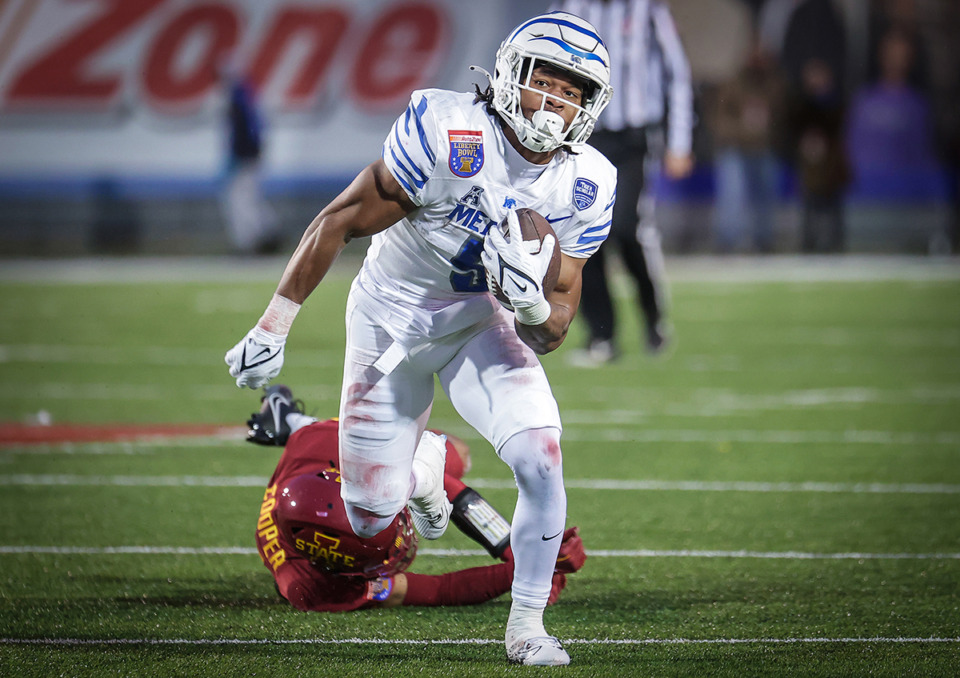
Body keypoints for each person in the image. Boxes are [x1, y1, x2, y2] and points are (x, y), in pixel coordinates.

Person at [225, 11, 616, 666]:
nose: (555, 103)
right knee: (372, 514)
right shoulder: (448, 128)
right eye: (544, 83)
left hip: (478, 323)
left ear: (591, 106)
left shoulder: (587, 181)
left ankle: (526, 626)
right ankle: (426, 469)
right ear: (510, 77)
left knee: (543, 456)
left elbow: (554, 328)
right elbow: (341, 219)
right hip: (388, 318)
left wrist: (526, 304)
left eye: (572, 91)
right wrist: (275, 322)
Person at [248, 385, 586, 612]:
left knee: (455, 456)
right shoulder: (310, 588)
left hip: (320, 446)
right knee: (442, 458)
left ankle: (290, 422)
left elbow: (444, 484)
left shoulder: (325, 447)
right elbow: (435, 590)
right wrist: (522, 573)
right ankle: (289, 421)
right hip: (312, 465)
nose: (401, 539)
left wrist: (517, 551)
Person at [555, 0, 696, 366]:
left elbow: (676, 72)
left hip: (632, 138)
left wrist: (680, 141)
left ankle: (653, 317)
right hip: (582, 136)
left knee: (627, 227)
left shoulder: (647, 8)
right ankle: (603, 335)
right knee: (585, 233)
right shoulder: (569, 6)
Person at [710, 30, 787, 253]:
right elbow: (720, 119)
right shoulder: (733, 82)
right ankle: (727, 241)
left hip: (764, 147)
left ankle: (765, 240)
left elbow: (781, 119)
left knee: (768, 185)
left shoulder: (775, 83)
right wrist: (744, 130)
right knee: (732, 186)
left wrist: (762, 131)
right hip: (736, 146)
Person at [220, 62, 281, 255]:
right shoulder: (246, 96)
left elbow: (247, 132)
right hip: (248, 157)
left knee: (240, 200)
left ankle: (253, 241)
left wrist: (245, 153)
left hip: (244, 158)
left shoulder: (239, 98)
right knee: (249, 198)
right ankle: (267, 235)